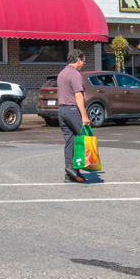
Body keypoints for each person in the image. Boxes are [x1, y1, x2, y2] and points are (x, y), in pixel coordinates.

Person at [57, 49, 88, 183]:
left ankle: (69, 171)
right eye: (83, 61)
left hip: (62, 111)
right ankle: (76, 169)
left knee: (69, 141)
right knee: (82, 139)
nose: (84, 64)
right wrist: (85, 116)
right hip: (72, 110)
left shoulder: (62, 73)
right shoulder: (75, 74)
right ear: (78, 59)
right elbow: (78, 95)